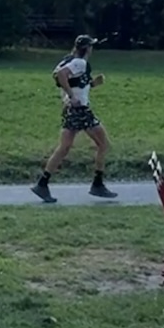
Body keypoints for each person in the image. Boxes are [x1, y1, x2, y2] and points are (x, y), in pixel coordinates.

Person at [31, 34, 117, 202]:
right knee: (103, 144)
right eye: (91, 46)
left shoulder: (68, 60)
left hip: (70, 109)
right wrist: (72, 96)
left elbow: (73, 82)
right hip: (80, 110)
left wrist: (93, 84)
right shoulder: (80, 62)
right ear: (87, 48)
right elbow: (61, 75)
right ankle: (97, 184)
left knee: (64, 148)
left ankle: (42, 184)